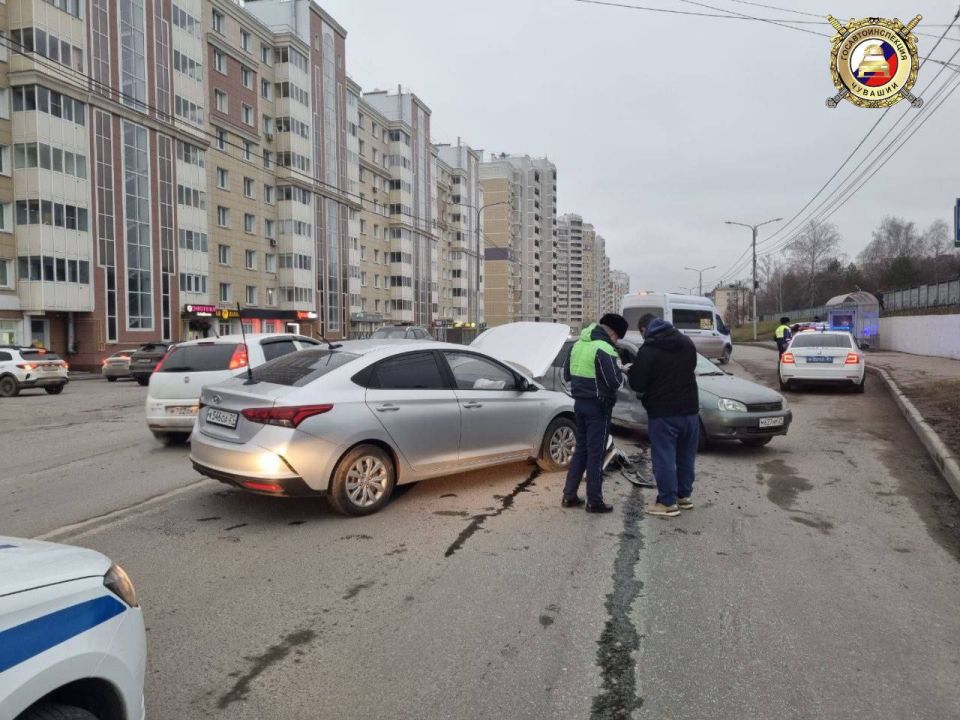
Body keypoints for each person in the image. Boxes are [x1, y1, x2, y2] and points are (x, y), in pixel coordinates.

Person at [628, 314, 699, 518]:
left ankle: (667, 502)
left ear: (645, 330)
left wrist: (632, 372)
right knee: (686, 456)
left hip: (663, 413)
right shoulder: (686, 343)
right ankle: (683, 496)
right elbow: (690, 368)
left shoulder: (648, 350)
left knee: (664, 457)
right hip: (690, 410)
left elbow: (638, 383)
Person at [561, 313, 629, 514]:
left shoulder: (578, 345)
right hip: (599, 407)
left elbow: (566, 374)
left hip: (579, 404)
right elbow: (615, 382)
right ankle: (594, 501)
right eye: (617, 338)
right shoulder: (605, 348)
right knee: (596, 452)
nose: (616, 341)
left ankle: (569, 495)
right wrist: (623, 371)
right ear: (614, 333)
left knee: (581, 449)